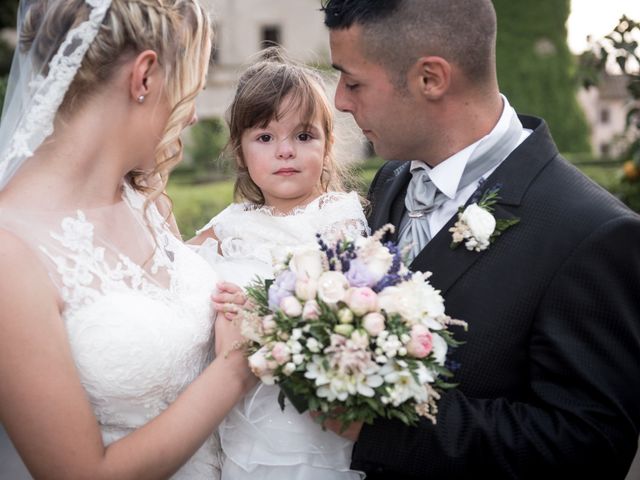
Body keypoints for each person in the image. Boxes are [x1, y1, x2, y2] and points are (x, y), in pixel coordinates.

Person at [319, 0, 640, 478]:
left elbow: (587, 446)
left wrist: (380, 423)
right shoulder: (390, 182)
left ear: (431, 78)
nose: (341, 101)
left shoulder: (593, 233)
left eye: (354, 81)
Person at [0, 1, 256, 478]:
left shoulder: (148, 201)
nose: (195, 116)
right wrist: (236, 369)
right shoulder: (9, 252)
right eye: (189, 91)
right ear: (144, 77)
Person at [190, 48, 368, 479]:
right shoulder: (227, 226)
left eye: (304, 136)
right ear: (240, 152)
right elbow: (168, 267)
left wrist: (262, 323)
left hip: (317, 435)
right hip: (244, 438)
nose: (285, 151)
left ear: (327, 146)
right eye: (265, 138)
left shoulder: (339, 219)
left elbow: (347, 320)